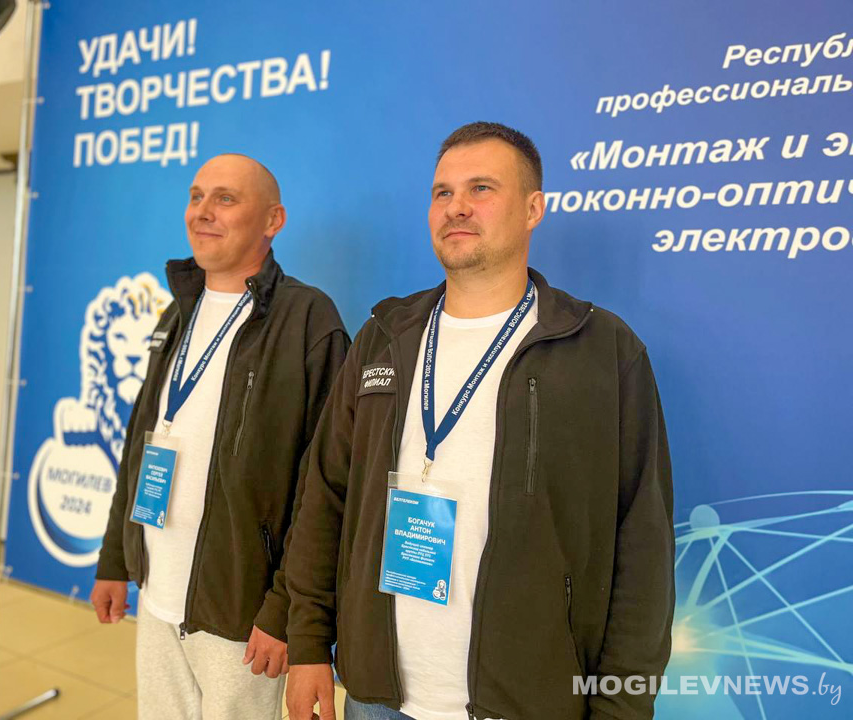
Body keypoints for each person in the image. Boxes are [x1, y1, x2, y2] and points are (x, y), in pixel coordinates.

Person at [284, 122, 674, 720]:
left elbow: (642, 541)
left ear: (533, 209)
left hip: (525, 703)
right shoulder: (384, 337)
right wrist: (309, 641)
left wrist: (622, 707)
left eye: (481, 188)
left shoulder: (602, 350)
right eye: (443, 192)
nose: (456, 207)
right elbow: (325, 495)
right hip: (376, 696)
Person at [91, 153, 350, 719]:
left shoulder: (308, 320)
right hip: (158, 595)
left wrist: (287, 610)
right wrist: (114, 559)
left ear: (273, 220)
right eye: (196, 196)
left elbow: (326, 487)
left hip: (243, 615)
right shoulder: (177, 314)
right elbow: (141, 445)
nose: (202, 212)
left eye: (225, 199)